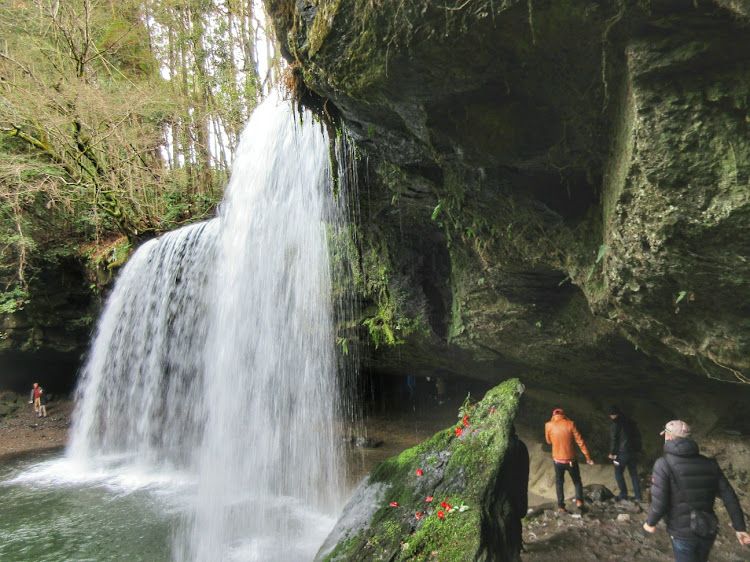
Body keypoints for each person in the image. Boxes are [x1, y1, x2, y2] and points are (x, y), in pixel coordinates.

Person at [643, 419, 750, 561]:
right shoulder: (709, 463)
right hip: (707, 529)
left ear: (668, 437)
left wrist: (650, 523)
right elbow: (729, 496)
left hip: (682, 532)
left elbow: (659, 501)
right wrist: (739, 528)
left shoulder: (663, 464)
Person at [545, 408, 595, 512]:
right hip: (571, 460)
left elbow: (548, 441)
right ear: (564, 415)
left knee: (559, 482)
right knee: (577, 481)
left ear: (553, 416)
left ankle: (560, 506)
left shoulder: (548, 425)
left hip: (557, 461)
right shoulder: (570, 423)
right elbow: (580, 441)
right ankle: (579, 502)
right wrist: (588, 457)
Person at [608, 405, 642, 500]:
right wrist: (638, 450)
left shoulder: (615, 424)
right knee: (634, 473)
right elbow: (638, 437)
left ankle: (623, 494)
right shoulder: (631, 422)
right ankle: (638, 496)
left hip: (621, 453)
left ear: (612, 415)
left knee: (618, 472)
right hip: (633, 452)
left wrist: (612, 453)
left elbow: (614, 440)